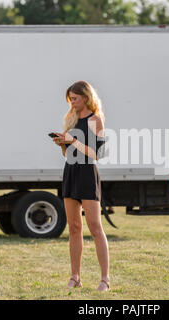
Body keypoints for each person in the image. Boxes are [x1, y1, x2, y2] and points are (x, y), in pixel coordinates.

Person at [52, 80, 110, 292]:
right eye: (70, 99)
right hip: (71, 171)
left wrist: (73, 140)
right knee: (74, 227)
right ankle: (75, 276)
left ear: (86, 97)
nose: (72, 103)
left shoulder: (95, 120)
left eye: (74, 98)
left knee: (94, 226)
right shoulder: (72, 118)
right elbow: (70, 153)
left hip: (87, 173)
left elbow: (97, 154)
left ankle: (105, 279)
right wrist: (63, 144)